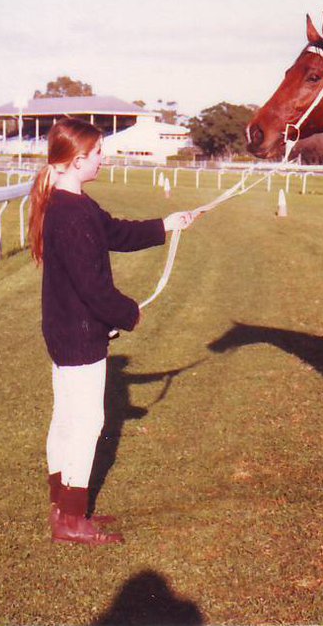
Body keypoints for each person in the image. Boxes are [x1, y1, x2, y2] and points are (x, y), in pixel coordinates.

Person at [28, 117, 197, 545]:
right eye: (99, 153)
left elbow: (116, 232)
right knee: (85, 422)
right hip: (79, 331)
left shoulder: (73, 204)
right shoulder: (70, 214)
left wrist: (167, 224)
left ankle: (64, 505)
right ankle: (70, 520)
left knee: (68, 417)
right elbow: (93, 287)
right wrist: (127, 314)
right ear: (79, 159)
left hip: (66, 329)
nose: (104, 159)